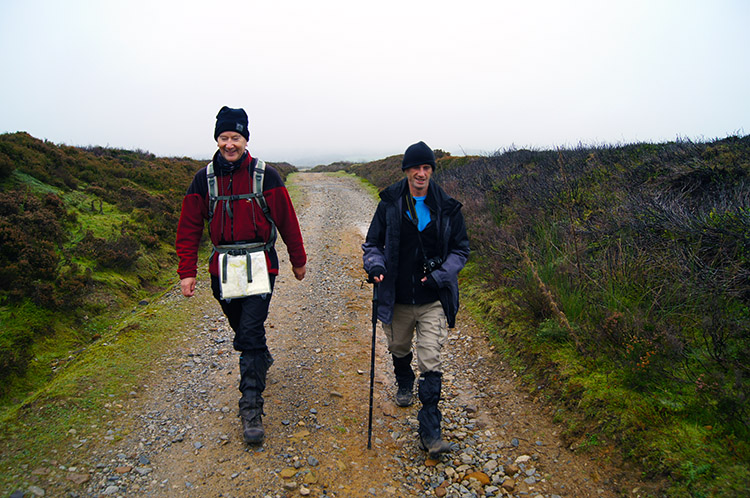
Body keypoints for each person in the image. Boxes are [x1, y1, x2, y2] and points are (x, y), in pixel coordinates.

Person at [176, 106, 307, 444]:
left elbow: (287, 221)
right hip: (223, 268)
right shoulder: (202, 180)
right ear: (217, 139)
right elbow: (189, 227)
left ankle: (251, 407)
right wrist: (186, 271)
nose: (229, 144)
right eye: (224, 137)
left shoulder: (267, 176)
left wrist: (298, 259)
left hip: (262, 264)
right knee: (241, 327)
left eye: (235, 137)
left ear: (245, 139)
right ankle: (259, 355)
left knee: (249, 330)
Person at [362, 141, 470, 458]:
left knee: (431, 359)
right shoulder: (390, 205)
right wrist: (376, 266)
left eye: (426, 168)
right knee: (398, 347)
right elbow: (372, 244)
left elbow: (461, 250)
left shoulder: (448, 207)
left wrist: (441, 275)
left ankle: (430, 431)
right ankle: (404, 379)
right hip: (395, 297)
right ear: (406, 171)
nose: (421, 173)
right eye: (415, 168)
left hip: (433, 298)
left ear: (431, 171)